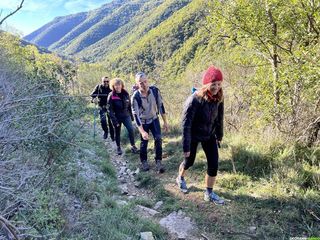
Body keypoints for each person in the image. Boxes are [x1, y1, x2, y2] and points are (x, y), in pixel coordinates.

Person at [176, 66, 225, 205]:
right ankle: (180, 177)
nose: (216, 87)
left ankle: (209, 193)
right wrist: (186, 147)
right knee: (189, 161)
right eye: (213, 84)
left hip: (209, 135)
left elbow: (219, 117)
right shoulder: (194, 100)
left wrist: (219, 135)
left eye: (219, 84)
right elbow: (186, 124)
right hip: (193, 135)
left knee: (214, 163)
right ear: (206, 84)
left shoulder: (219, 97)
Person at [131, 72, 169, 173]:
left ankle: (158, 161)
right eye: (141, 83)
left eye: (145, 81)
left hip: (154, 118)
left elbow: (160, 106)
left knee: (158, 138)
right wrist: (142, 131)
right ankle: (144, 161)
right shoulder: (135, 97)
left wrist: (165, 122)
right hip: (143, 121)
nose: (144, 84)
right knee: (144, 142)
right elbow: (136, 116)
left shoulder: (155, 91)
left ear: (148, 81)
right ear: (137, 84)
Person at [107, 78, 139, 155]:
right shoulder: (111, 96)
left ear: (122, 85)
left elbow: (129, 106)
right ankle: (118, 147)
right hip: (116, 117)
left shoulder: (126, 94)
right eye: (116, 85)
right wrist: (114, 121)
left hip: (126, 115)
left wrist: (131, 116)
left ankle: (133, 146)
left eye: (119, 85)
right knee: (117, 132)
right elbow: (109, 110)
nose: (117, 86)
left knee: (131, 129)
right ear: (113, 86)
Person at [90, 76, 115, 141]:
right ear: (102, 81)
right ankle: (105, 131)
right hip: (102, 106)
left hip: (110, 107)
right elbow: (92, 95)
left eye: (107, 81)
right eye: (104, 81)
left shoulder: (111, 87)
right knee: (103, 120)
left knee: (111, 122)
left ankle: (113, 136)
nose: (106, 83)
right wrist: (94, 100)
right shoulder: (99, 87)